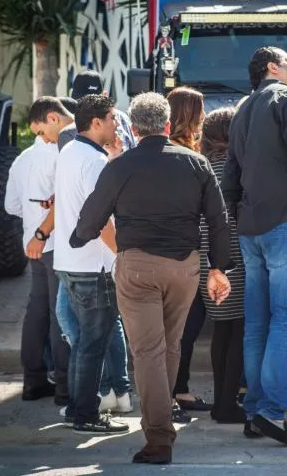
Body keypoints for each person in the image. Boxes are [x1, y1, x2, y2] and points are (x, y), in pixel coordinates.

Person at [71, 92, 231, 465]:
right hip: (184, 268)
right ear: (167, 125)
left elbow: (91, 219)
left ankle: (159, 438)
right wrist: (218, 268)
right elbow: (218, 219)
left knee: (146, 352)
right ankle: (165, 415)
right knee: (169, 347)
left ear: (135, 128)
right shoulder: (196, 163)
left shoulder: (120, 166)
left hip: (137, 266)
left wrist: (77, 237)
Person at [221, 46, 287, 447]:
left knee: (258, 325)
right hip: (286, 223)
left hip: (251, 228)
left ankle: (255, 413)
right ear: (273, 68)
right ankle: (269, 412)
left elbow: (230, 174)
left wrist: (235, 219)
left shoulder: (244, 108)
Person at [53, 94, 128, 434]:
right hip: (92, 266)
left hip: (70, 261)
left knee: (85, 342)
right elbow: (101, 221)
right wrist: (123, 256)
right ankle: (85, 414)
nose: (117, 124)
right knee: (92, 344)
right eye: (112, 118)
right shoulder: (92, 161)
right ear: (95, 123)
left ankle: (75, 409)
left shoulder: (70, 152)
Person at [4, 129, 69, 405]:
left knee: (37, 310)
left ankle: (33, 380)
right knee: (60, 314)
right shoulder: (60, 155)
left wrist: (33, 219)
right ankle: (65, 387)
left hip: (32, 242)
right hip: (55, 244)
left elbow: (10, 206)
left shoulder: (22, 158)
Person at [197, 107, 248, 424]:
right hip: (233, 257)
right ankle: (227, 403)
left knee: (222, 331)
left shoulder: (200, 166)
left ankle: (223, 399)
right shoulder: (236, 169)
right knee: (238, 332)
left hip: (205, 257)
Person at [165, 86, 213, 420]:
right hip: (183, 254)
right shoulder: (188, 155)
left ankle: (178, 389)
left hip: (183, 251)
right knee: (181, 329)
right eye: (201, 110)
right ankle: (170, 394)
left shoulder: (187, 149)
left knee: (185, 328)